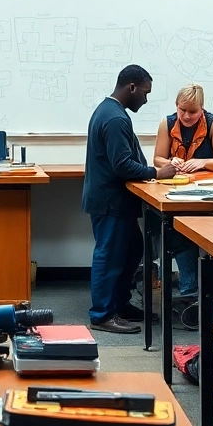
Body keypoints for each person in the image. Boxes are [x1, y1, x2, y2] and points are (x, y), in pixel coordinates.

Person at [83, 65, 179, 334]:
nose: (146, 99)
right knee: (110, 255)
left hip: (114, 200)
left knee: (133, 248)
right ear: (132, 87)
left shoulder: (111, 112)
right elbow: (122, 165)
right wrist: (158, 172)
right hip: (110, 201)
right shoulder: (114, 118)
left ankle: (120, 304)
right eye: (145, 93)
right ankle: (102, 315)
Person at [153, 83, 213, 322]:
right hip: (176, 193)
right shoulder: (167, 123)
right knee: (177, 235)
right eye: (182, 110)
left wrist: (202, 162)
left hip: (209, 194)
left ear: (202, 109)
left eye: (193, 111)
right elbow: (157, 157)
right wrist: (172, 162)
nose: (187, 116)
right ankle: (190, 294)